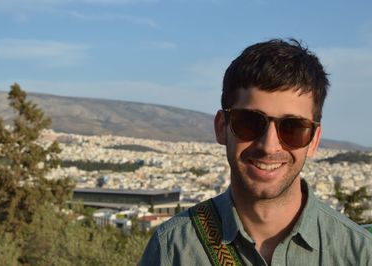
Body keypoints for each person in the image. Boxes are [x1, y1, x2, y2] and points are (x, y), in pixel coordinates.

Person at [139, 39, 372, 266]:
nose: (269, 146)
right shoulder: (173, 248)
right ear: (222, 127)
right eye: (249, 122)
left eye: (292, 128)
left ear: (313, 140)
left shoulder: (359, 254)